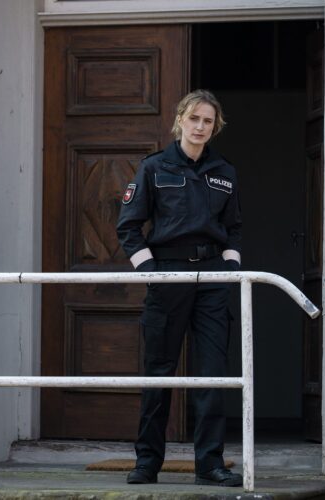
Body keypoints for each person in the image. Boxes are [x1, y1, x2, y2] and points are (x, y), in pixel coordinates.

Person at [116, 89, 242, 487]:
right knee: (159, 374)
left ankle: (210, 465)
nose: (200, 127)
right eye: (194, 119)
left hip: (211, 279)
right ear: (180, 121)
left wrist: (230, 270)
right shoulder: (154, 168)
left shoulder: (225, 172)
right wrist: (151, 271)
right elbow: (128, 227)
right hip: (167, 274)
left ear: (214, 126)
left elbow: (235, 228)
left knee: (211, 377)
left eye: (208, 121)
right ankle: (147, 464)